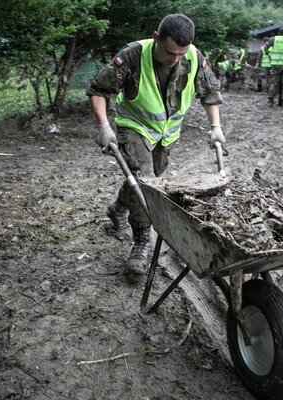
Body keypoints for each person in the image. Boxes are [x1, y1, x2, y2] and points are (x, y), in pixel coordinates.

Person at [87, 14, 224, 274]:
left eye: (181, 54)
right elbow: (99, 90)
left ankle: (118, 208)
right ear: (156, 38)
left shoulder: (193, 56)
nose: (176, 59)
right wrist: (104, 126)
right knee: (147, 183)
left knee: (147, 181)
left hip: (167, 135)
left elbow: (210, 93)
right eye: (170, 52)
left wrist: (216, 128)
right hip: (134, 127)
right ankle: (141, 241)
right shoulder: (132, 55)